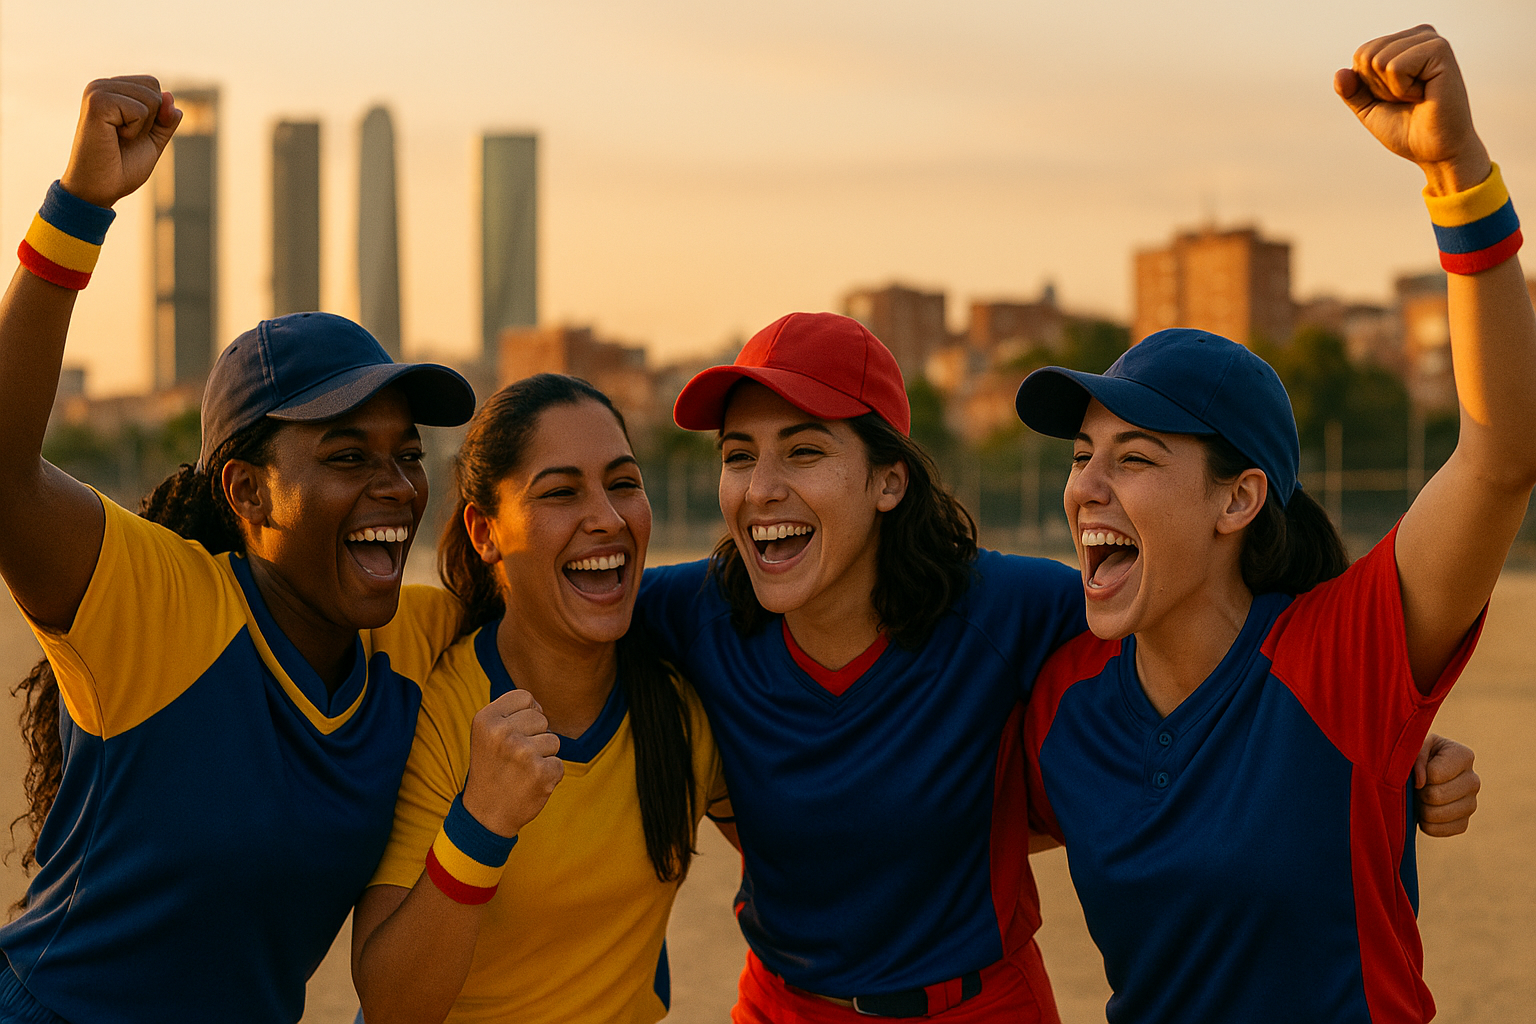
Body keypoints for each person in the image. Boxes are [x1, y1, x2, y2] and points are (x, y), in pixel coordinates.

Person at [640, 312, 1481, 1023]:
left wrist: (1386, 746)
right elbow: (555, 610)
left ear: (889, 481)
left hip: (978, 1005)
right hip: (780, 1003)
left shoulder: (1016, 610)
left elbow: (1230, 668)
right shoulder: (694, 615)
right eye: (738, 455)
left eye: (805, 452)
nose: (760, 488)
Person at [1015, 26, 1531, 1023]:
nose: (1087, 488)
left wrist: (1456, 173)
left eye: (1134, 457)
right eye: (1083, 456)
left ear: (1238, 500)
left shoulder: (1345, 655)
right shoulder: (1062, 701)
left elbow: (1502, 449)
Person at [0, 78, 476, 1022]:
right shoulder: (161, 607)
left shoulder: (417, 645)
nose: (397, 487)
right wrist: (77, 212)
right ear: (247, 491)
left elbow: (583, 599)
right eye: (347, 455)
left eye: (407, 456)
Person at [350, 374, 730, 1024]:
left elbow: (805, 864)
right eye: (560, 493)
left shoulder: (685, 705)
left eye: (624, 483)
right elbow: (392, 1004)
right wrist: (480, 824)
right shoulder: (443, 707)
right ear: (485, 531)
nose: (607, 519)